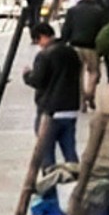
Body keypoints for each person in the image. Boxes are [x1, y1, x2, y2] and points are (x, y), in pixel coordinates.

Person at [23, 18, 83, 167]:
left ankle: (50, 189)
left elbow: (37, 80)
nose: (39, 45)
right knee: (70, 152)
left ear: (43, 36)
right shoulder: (72, 52)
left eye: (38, 41)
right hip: (70, 108)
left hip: (50, 110)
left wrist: (27, 75)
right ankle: (80, 185)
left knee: (46, 154)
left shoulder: (44, 56)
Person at [60, 0, 109, 110]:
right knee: (94, 72)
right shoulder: (99, 11)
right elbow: (104, 30)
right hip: (92, 46)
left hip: (75, 45)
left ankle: (82, 100)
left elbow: (66, 29)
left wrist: (63, 43)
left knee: (79, 74)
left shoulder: (72, 11)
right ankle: (90, 94)